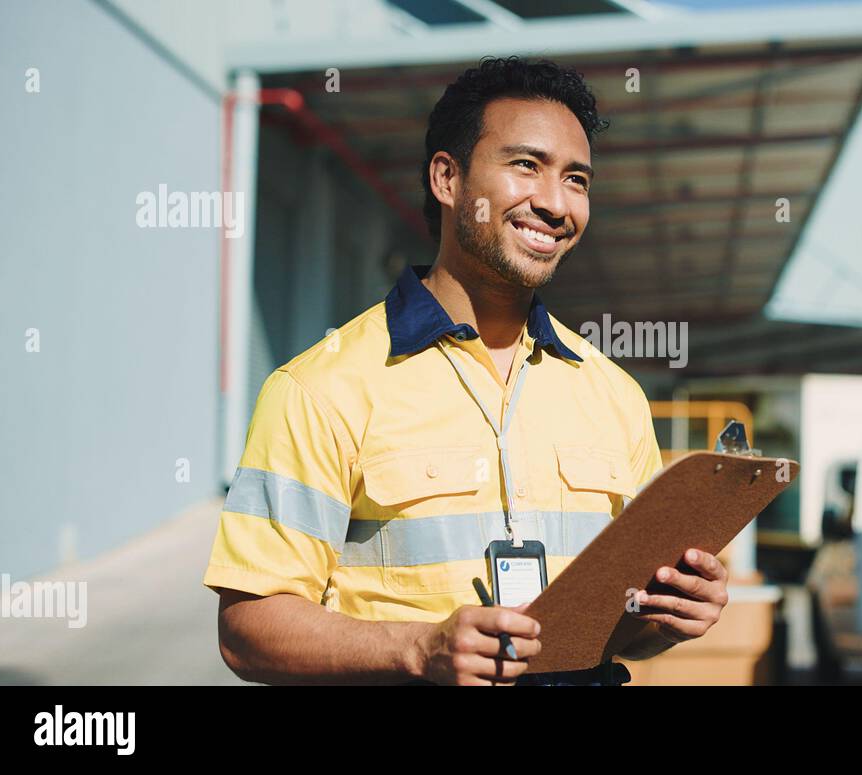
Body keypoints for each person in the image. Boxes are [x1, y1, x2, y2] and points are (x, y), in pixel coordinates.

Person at [203, 57, 729, 685]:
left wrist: (667, 615)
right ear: (447, 179)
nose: (555, 203)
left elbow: (628, 631)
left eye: (577, 179)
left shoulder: (614, 395)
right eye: (525, 165)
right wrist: (416, 648)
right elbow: (248, 629)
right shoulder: (318, 388)